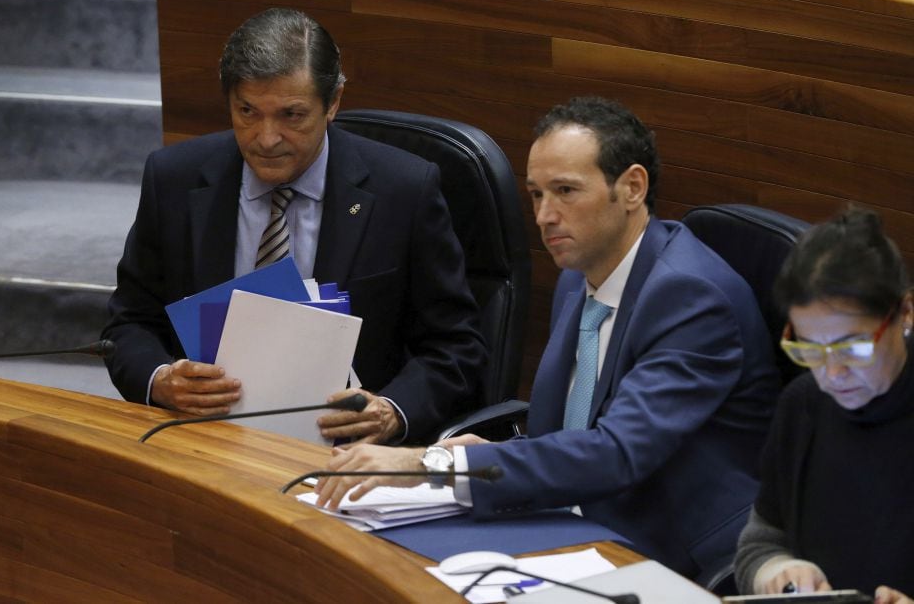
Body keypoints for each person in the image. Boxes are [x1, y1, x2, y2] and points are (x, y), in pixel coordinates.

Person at [315, 96, 780, 580]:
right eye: (537, 194)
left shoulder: (691, 297)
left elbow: (616, 452)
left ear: (632, 188)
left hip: (670, 552)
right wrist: (482, 453)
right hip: (571, 522)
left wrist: (433, 462)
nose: (544, 216)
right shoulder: (580, 275)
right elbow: (567, 432)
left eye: (565, 191)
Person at [102, 8, 485, 444]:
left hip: (346, 455)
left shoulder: (405, 191)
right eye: (247, 111)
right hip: (205, 440)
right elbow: (127, 324)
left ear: (333, 102)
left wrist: (392, 411)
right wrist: (159, 380)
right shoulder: (174, 180)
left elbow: (457, 347)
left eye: (292, 115)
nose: (266, 138)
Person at [734, 208, 914, 601]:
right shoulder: (803, 404)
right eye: (809, 350)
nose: (832, 375)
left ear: (905, 312)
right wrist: (777, 570)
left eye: (852, 348)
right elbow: (760, 543)